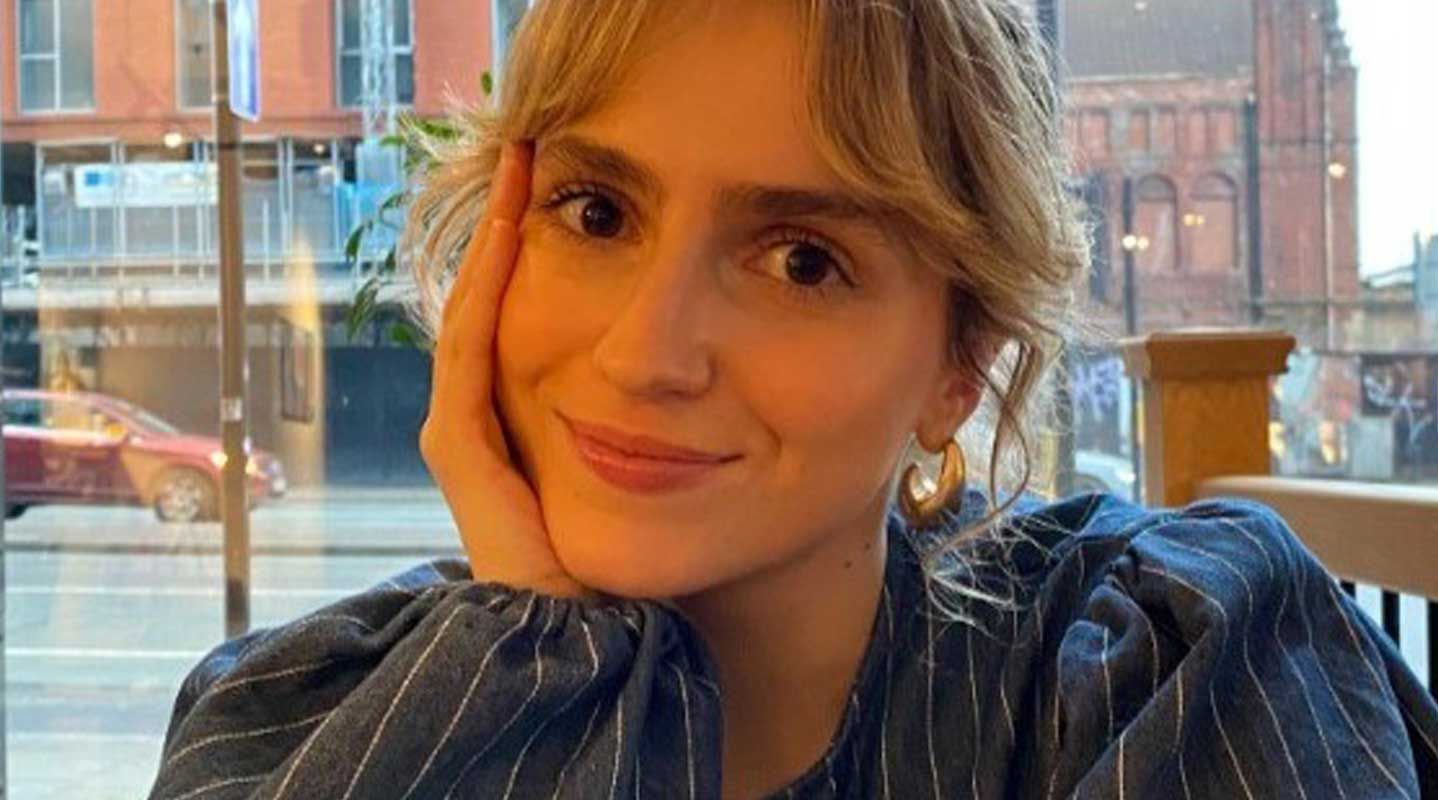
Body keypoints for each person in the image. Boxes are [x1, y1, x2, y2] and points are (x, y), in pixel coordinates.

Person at [148, 1, 1438, 798]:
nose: (648, 353)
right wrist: (538, 653)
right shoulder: (288, 726)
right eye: (595, 211)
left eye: (804, 261)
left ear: (959, 367)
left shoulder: (1167, 673)